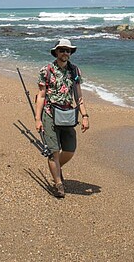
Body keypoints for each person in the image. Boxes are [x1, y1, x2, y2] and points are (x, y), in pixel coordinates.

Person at [34, 39, 90, 198]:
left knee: (70, 150)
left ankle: (57, 168)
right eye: (62, 50)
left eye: (68, 50)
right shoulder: (46, 70)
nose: (66, 53)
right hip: (49, 114)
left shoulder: (75, 71)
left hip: (67, 115)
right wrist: (38, 119)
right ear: (56, 52)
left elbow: (78, 95)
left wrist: (85, 116)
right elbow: (41, 96)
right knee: (53, 152)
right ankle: (58, 184)